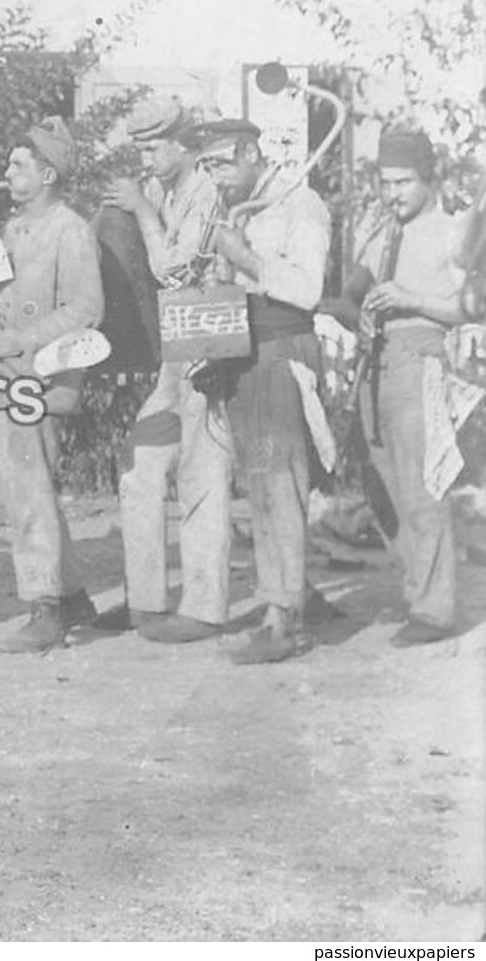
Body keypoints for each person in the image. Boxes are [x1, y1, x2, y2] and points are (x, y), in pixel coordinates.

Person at [194, 119, 331, 664]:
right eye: (205, 168)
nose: (215, 178)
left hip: (282, 353)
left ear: (251, 152)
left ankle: (285, 619)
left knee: (281, 484)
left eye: (221, 165)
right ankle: (284, 600)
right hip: (244, 354)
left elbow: (308, 289)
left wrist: (247, 258)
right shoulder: (236, 207)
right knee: (259, 486)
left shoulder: (301, 205)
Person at [103, 97, 233, 642]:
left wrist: (141, 213)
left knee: (204, 473)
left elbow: (177, 271)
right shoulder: (159, 190)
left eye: (155, 148)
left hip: (213, 342)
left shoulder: (210, 191)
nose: (148, 160)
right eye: (143, 150)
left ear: (184, 144)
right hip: (174, 352)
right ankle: (147, 601)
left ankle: (204, 608)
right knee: (141, 472)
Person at [0, 118, 105, 654]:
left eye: (19, 165)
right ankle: (71, 596)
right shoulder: (13, 229)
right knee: (26, 488)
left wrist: (22, 340)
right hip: (8, 377)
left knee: (27, 490)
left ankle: (45, 608)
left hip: (41, 377)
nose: (8, 172)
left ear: (49, 173)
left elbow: (86, 308)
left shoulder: (70, 229)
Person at [342, 128, 469, 646]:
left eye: (405, 182)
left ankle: (435, 610)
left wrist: (411, 298)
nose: (393, 193)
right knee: (382, 485)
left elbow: (468, 307)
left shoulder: (452, 231)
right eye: (386, 182)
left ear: (430, 179)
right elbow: (350, 293)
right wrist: (359, 316)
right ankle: (417, 589)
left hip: (422, 361)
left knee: (422, 487)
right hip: (376, 363)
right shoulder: (380, 230)